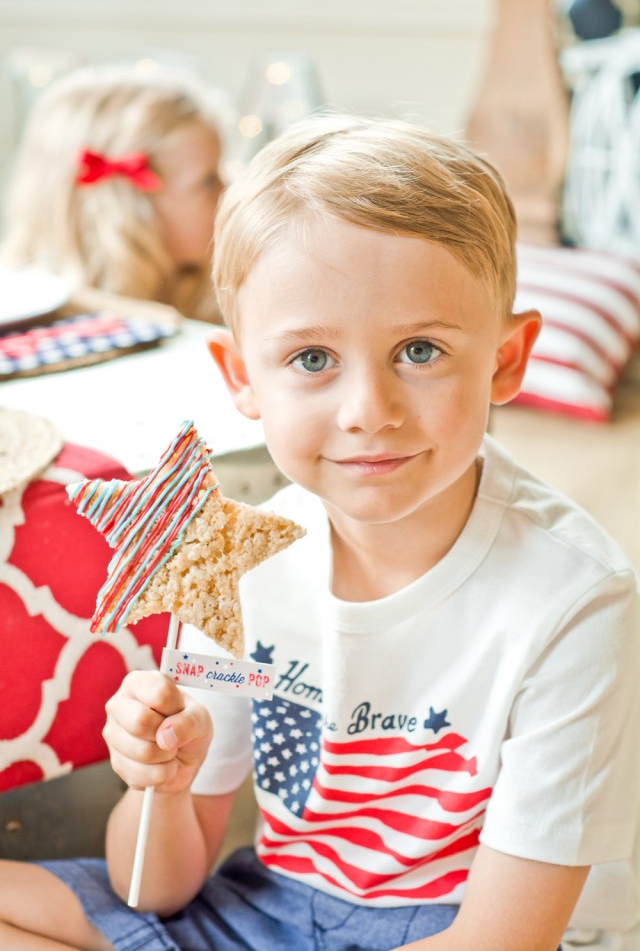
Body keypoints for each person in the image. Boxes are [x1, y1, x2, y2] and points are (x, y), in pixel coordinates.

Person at [0, 115, 638, 951]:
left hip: (452, 927)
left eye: (420, 349)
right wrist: (157, 782)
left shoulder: (572, 597)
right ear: (243, 379)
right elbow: (156, 889)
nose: (368, 411)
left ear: (505, 360)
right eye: (310, 359)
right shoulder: (239, 565)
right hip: (270, 904)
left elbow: (501, 940)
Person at [0, 62, 227, 322]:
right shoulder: (26, 318)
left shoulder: (216, 296)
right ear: (129, 207)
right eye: (208, 181)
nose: (231, 191)